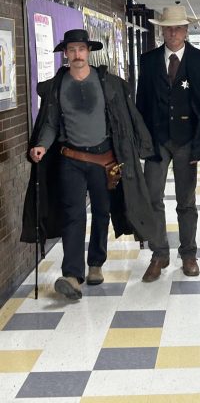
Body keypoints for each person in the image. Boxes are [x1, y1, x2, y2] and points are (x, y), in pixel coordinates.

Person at [21, 29, 155, 300]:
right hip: (71, 159)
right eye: (72, 50)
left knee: (102, 213)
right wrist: (42, 146)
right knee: (74, 215)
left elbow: (121, 120)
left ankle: (96, 264)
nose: (77, 55)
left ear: (88, 52)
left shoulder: (106, 83)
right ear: (65, 54)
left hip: (103, 161)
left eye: (81, 49)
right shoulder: (58, 86)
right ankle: (72, 274)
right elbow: (50, 123)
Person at [136, 5, 200, 281]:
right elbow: (141, 103)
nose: (173, 32)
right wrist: (142, 141)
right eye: (168, 27)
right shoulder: (147, 61)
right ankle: (159, 254)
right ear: (161, 29)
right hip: (157, 141)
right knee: (153, 197)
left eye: (178, 27)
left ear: (186, 30)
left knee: (187, 201)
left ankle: (189, 254)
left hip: (187, 140)